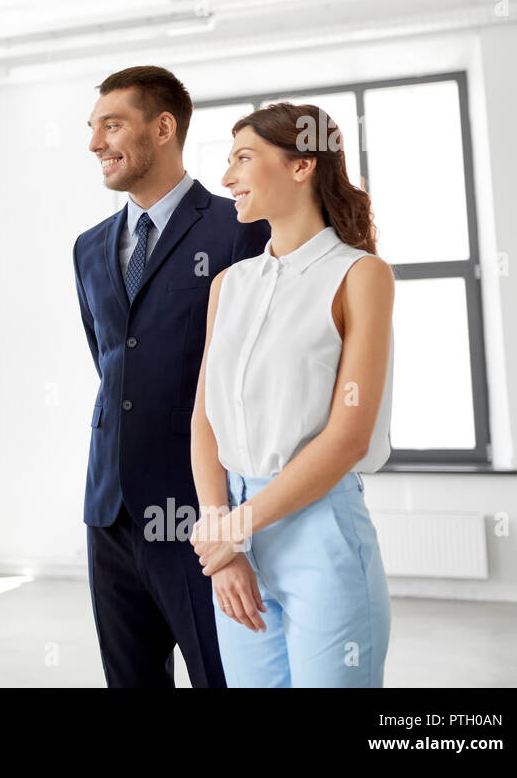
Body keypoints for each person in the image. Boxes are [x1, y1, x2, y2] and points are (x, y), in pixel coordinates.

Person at [72, 66, 271, 687]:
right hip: (110, 510)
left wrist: (235, 519)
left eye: (112, 125)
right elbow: (111, 363)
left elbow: (252, 377)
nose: (95, 142)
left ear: (163, 128)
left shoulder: (239, 227)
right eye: (92, 127)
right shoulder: (88, 246)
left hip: (201, 510)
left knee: (223, 674)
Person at [189, 101, 394, 688]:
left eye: (243, 159)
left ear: (301, 165)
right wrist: (223, 538)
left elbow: (349, 437)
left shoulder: (360, 276)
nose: (227, 178)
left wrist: (236, 527)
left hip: (319, 530)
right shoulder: (229, 285)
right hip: (232, 527)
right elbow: (206, 418)